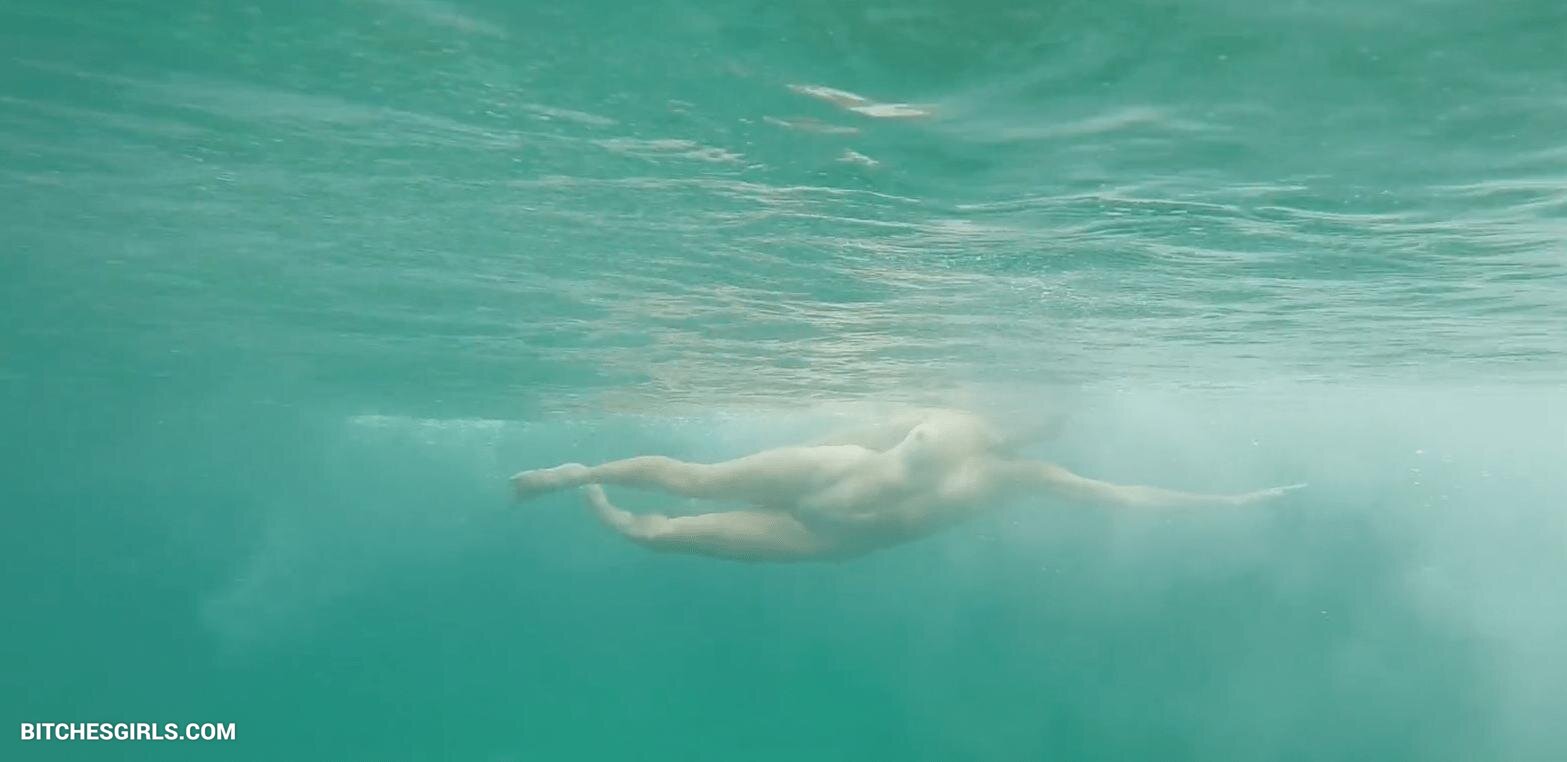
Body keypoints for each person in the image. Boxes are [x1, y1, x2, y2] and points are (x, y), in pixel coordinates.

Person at [510, 408, 1303, 562]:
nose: (1035, 427)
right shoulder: (949, 413)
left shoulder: (1026, 477)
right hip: (828, 473)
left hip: (830, 537)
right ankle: (584, 470)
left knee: (656, 533)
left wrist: (1226, 502)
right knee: (696, 480)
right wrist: (804, 446)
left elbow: (1122, 496)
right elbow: (858, 426)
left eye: (1047, 425)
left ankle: (604, 504)